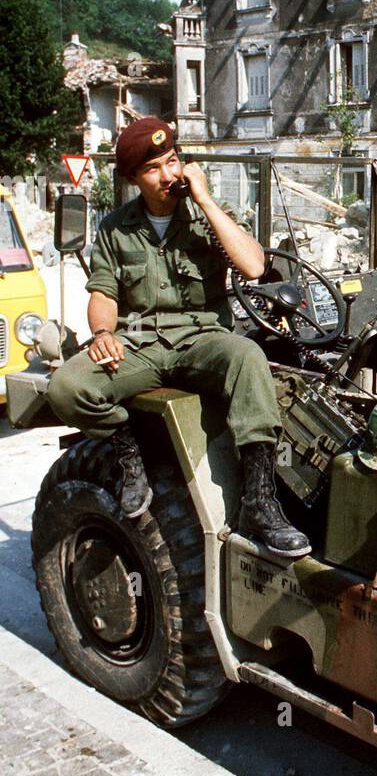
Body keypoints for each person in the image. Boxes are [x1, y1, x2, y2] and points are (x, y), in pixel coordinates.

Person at [47, 117, 310, 558]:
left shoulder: (206, 215)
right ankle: (128, 455)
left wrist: (204, 199)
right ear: (133, 179)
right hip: (140, 344)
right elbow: (103, 293)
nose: (168, 175)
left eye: (172, 161)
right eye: (153, 169)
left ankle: (260, 502)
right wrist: (103, 332)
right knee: (65, 388)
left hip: (202, 339)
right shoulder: (115, 228)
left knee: (247, 356)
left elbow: (254, 266)